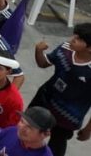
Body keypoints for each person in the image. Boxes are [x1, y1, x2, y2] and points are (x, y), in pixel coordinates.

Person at [30, 23, 91, 156]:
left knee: (56, 144)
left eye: (79, 39)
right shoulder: (65, 48)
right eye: (75, 35)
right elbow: (43, 63)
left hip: (67, 116)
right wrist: (39, 51)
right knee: (27, 126)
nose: (72, 39)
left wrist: (88, 130)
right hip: (44, 99)